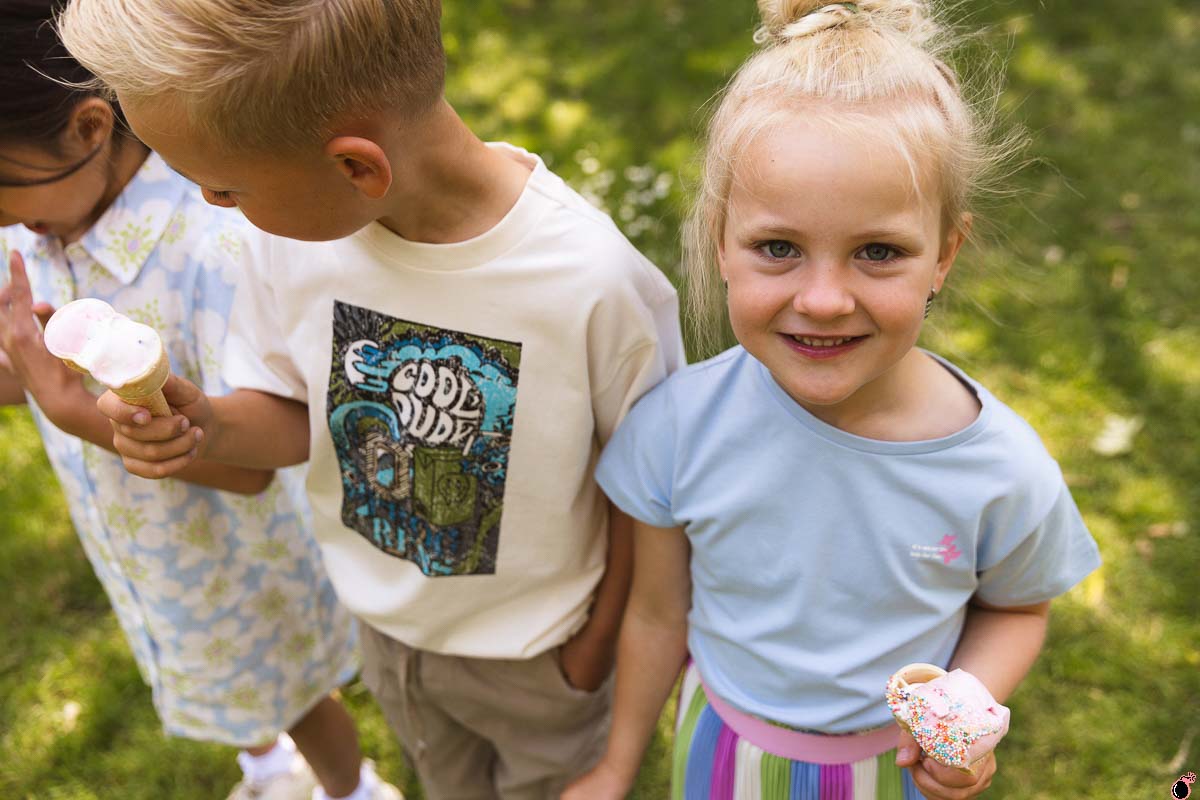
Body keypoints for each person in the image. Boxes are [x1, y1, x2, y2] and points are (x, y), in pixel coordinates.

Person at [59, 0, 686, 796]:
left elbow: (650, 496)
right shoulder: (288, 243)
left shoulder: (593, 287)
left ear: (357, 168)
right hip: (388, 637)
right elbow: (296, 415)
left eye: (225, 188)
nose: (214, 207)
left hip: (540, 660)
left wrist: (593, 651)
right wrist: (204, 423)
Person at [563, 1, 1102, 798]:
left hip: (893, 772)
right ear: (721, 241)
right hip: (721, 754)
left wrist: (963, 709)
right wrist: (615, 768)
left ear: (945, 254)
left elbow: (1017, 609)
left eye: (877, 251)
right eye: (778, 247)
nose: (822, 300)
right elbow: (656, 615)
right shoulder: (679, 428)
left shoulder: (999, 470)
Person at [0, 3, 401, 799]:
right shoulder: (35, 226)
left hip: (241, 556)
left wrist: (74, 411)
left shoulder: (210, 248)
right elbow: (30, 377)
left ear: (88, 129)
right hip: (152, 550)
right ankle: (268, 769)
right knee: (223, 684)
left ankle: (349, 789)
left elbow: (249, 468)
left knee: (290, 691)